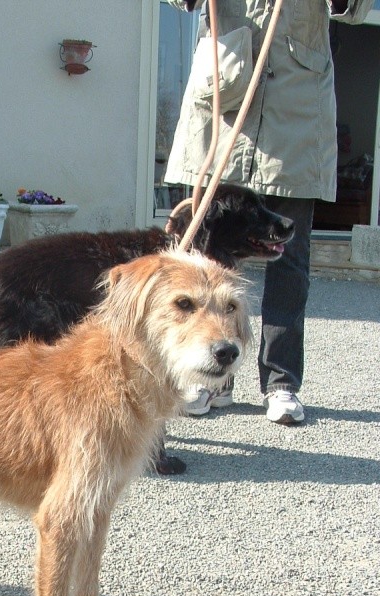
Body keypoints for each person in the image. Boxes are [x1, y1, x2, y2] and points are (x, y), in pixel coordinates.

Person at [164, 0, 373, 424]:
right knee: (205, 261)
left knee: (289, 258)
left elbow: (356, 8)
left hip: (295, 119)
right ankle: (211, 377)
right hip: (224, 108)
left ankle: (281, 382)